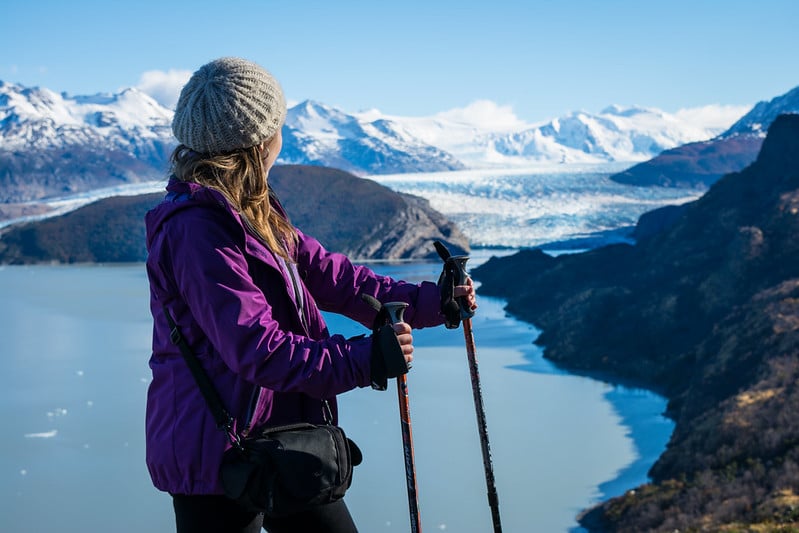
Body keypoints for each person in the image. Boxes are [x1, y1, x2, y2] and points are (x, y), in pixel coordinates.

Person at [144, 57, 477, 533]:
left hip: (284, 437)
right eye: (279, 123)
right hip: (215, 455)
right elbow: (259, 350)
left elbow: (340, 279)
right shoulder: (198, 232)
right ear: (260, 140)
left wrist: (432, 300)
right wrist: (366, 359)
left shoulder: (250, 209)